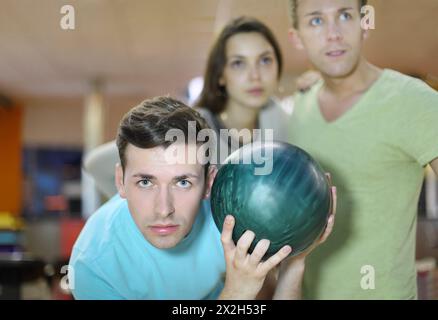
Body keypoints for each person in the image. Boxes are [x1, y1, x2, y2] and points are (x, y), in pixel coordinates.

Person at [69, 96, 336, 299]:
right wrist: (234, 295)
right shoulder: (94, 264)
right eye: (146, 182)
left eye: (183, 182)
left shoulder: (233, 214)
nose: (164, 209)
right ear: (120, 182)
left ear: (210, 183)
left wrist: (295, 257)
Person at [286, 0, 438, 299]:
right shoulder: (301, 106)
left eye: (344, 15)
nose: (334, 33)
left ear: (365, 21)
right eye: (316, 21)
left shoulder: (413, 100)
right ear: (297, 37)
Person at [83, 16, 320, 199]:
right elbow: (97, 164)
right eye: (238, 63)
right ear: (220, 75)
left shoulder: (280, 121)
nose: (255, 75)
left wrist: (321, 89)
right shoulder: (190, 130)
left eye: (265, 60)